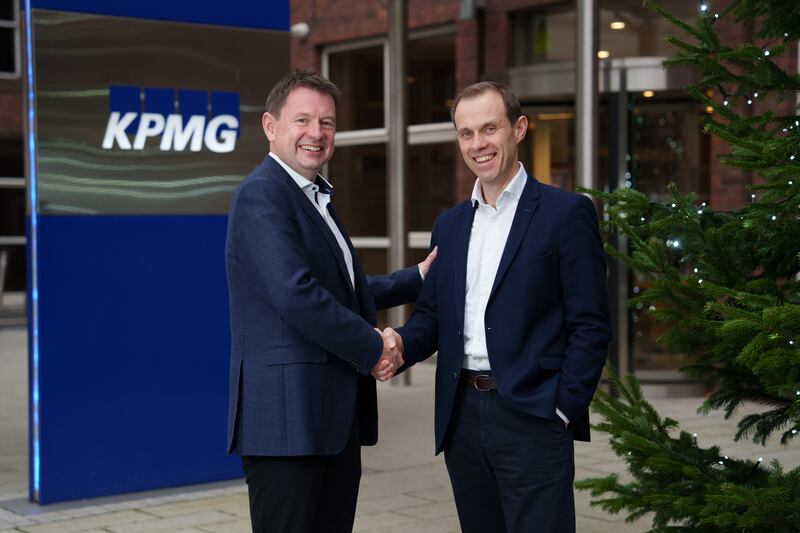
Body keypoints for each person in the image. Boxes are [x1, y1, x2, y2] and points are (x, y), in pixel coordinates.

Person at [384, 81, 612, 533]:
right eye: (466, 133)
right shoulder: (449, 225)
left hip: (533, 414)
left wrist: (561, 409)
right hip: (461, 416)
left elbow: (591, 325)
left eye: (489, 129)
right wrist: (396, 346)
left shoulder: (566, 214)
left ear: (519, 129)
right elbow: (432, 318)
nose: (478, 144)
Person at [224, 70, 435, 533]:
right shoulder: (262, 196)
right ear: (270, 126)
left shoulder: (314, 197)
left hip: (329, 421)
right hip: (287, 424)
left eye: (327, 123)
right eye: (302, 120)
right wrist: (375, 347)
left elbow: (341, 292)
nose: (316, 134)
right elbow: (296, 295)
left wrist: (416, 278)